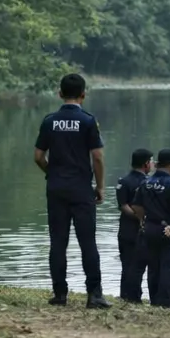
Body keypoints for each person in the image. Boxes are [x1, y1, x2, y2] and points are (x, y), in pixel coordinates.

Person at [34, 73, 110, 308]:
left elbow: (38, 156)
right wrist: (99, 186)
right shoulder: (88, 121)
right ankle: (94, 295)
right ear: (83, 95)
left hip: (56, 188)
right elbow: (97, 157)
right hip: (80, 188)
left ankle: (60, 294)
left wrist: (51, 173)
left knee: (58, 242)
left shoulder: (49, 121)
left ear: (59, 94)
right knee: (87, 242)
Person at [139, 148, 170, 308]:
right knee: (169, 264)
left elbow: (135, 204)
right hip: (168, 229)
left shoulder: (145, 182)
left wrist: (142, 220)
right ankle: (167, 300)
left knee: (153, 265)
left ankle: (154, 299)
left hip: (150, 227)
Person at [115, 148, 153, 303]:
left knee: (127, 264)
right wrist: (141, 218)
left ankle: (125, 294)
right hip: (140, 230)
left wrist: (133, 215)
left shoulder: (123, 181)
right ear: (145, 164)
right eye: (151, 161)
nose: (152, 164)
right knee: (138, 266)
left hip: (125, 229)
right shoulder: (148, 183)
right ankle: (134, 296)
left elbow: (123, 205)